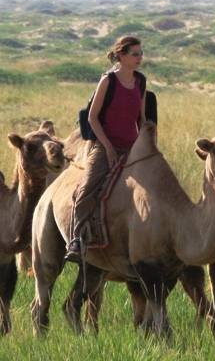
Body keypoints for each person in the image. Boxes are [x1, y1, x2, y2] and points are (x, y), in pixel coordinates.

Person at [66, 36, 147, 262]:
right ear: (121, 55)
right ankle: (77, 239)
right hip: (105, 145)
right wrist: (109, 149)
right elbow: (92, 118)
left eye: (141, 53)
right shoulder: (108, 81)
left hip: (131, 146)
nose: (140, 58)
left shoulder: (140, 81)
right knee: (88, 188)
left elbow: (140, 118)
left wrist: (143, 145)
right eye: (135, 54)